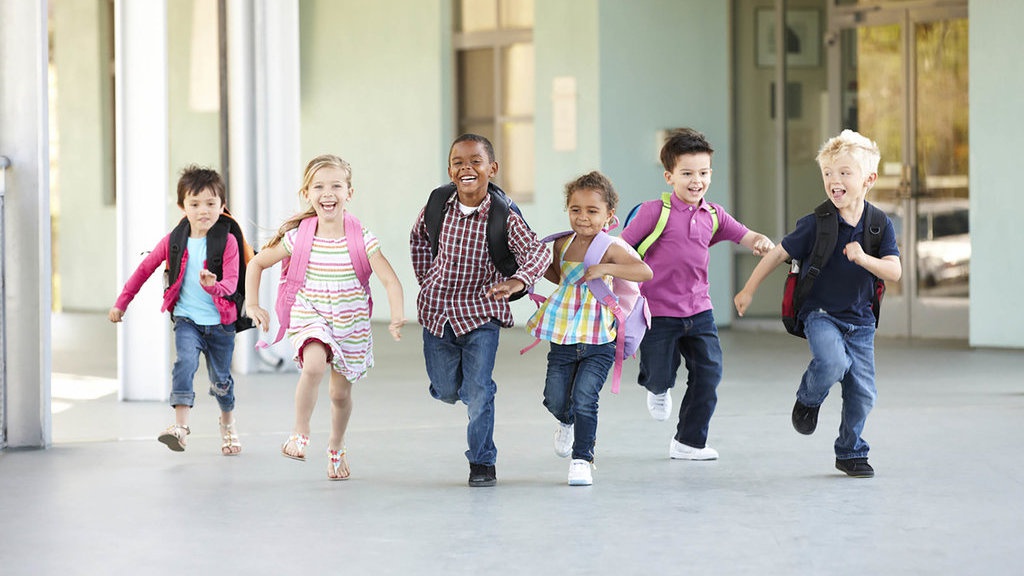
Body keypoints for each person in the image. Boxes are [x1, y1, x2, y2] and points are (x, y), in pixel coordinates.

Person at [734, 129, 901, 478]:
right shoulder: (816, 224)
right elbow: (779, 252)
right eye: (828, 173)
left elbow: (894, 271)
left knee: (864, 393)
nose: (834, 180)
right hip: (821, 314)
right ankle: (808, 399)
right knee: (832, 362)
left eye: (844, 173)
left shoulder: (878, 225)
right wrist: (749, 289)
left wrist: (863, 259)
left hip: (861, 322)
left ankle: (851, 451)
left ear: (868, 179)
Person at [245, 154, 405, 481]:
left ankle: (336, 444)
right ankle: (299, 433)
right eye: (319, 186)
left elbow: (390, 280)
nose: (327, 192)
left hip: (350, 323)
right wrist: (252, 304)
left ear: (350, 192)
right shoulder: (299, 238)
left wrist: (397, 316)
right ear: (307, 193)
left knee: (339, 395)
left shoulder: (362, 238)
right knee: (314, 365)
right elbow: (257, 264)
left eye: (336, 185)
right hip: (311, 314)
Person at [620, 127, 775, 461]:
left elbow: (745, 235)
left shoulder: (714, 215)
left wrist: (760, 241)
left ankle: (689, 442)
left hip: (699, 310)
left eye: (703, 173)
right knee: (660, 372)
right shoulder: (653, 212)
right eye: (687, 173)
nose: (696, 181)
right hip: (657, 310)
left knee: (710, 372)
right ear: (669, 176)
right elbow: (622, 248)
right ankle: (658, 387)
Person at [409, 133, 551, 487]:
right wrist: (427, 280)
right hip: (437, 312)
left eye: (475, 161)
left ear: (492, 168)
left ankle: (482, 462)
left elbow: (539, 252)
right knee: (445, 390)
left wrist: (518, 282)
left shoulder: (504, 216)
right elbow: (419, 240)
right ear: (450, 169)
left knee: (479, 390)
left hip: (480, 314)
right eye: (458, 162)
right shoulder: (437, 206)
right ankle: (469, 392)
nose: (467, 168)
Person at [526, 171, 652, 486]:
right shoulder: (562, 244)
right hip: (564, 334)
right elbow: (557, 276)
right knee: (555, 397)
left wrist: (607, 267)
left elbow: (644, 271)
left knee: (585, 396)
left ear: (609, 215)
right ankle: (565, 421)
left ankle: (582, 459)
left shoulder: (610, 246)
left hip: (599, 336)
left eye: (592, 211)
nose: (583, 217)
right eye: (576, 210)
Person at [109, 165, 245, 455]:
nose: (203, 211)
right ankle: (180, 428)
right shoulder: (175, 240)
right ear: (182, 206)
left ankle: (228, 423)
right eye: (195, 204)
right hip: (188, 320)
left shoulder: (228, 241)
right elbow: (145, 269)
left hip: (221, 324)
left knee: (221, 381)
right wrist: (122, 302)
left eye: (211, 203)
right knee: (184, 362)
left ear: (223, 206)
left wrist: (213, 286)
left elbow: (232, 283)